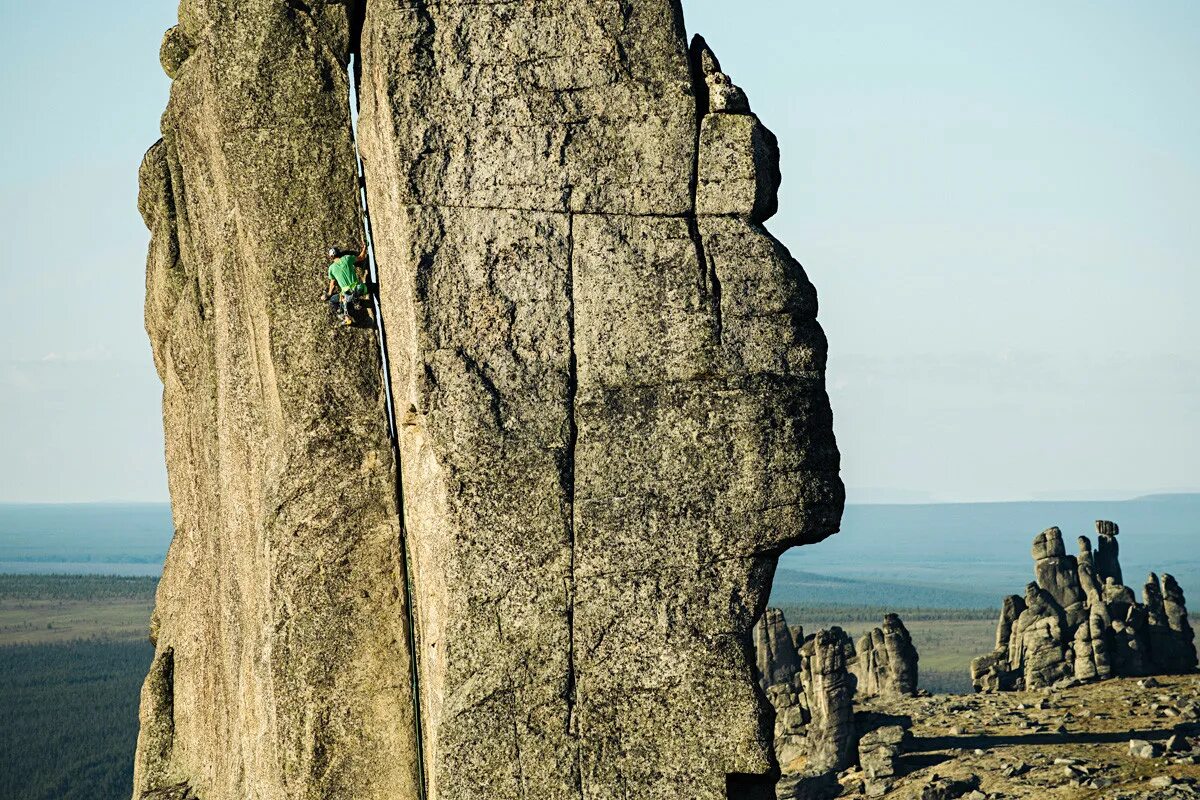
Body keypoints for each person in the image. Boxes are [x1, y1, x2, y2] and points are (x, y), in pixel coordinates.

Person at [323, 243, 371, 326]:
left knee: (333, 300)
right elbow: (361, 257)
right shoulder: (347, 258)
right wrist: (364, 248)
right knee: (372, 287)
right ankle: (357, 300)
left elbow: (332, 284)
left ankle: (346, 317)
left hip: (347, 295)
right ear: (339, 253)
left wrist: (329, 294)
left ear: (331, 257)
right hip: (360, 288)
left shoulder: (331, 268)